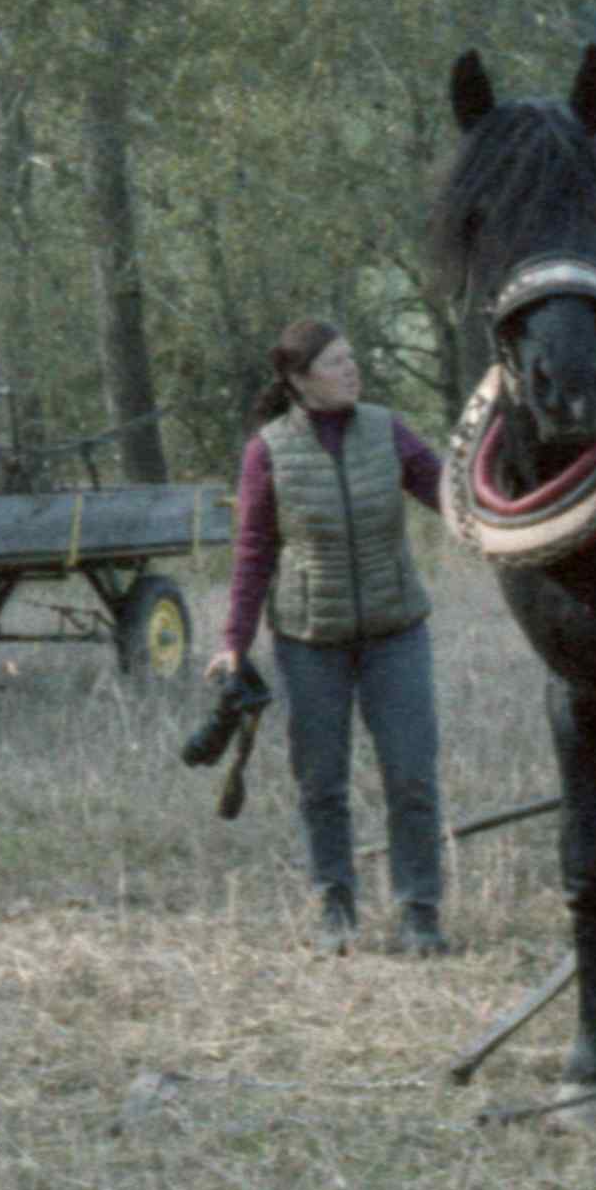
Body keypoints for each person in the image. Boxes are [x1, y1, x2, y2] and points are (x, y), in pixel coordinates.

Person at [206, 319, 451, 956]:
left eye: (352, 358)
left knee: (412, 776)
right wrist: (235, 639)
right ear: (299, 378)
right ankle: (335, 912)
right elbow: (254, 551)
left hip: (397, 632)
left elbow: (449, 495)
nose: (352, 370)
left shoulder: (387, 429)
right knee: (321, 783)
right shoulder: (268, 450)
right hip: (309, 640)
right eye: (337, 362)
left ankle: (420, 915)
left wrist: (512, 517)